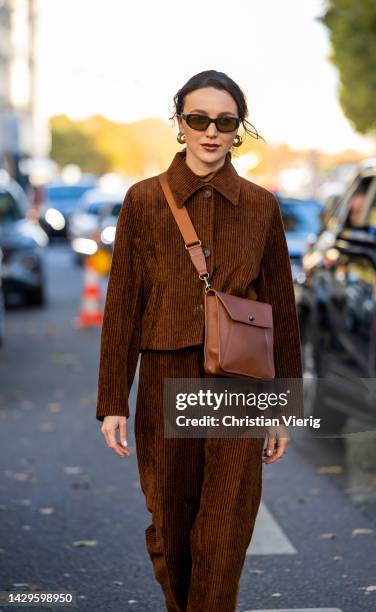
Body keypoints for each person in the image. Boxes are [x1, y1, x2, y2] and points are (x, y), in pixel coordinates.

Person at [95, 70, 303, 612]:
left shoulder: (261, 206)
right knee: (170, 527)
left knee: (225, 529)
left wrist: (283, 406)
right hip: (168, 378)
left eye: (225, 121)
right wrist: (113, 400)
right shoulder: (142, 202)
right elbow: (121, 306)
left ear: (239, 129)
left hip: (240, 383)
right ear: (179, 124)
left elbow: (281, 309)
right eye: (198, 119)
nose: (212, 131)